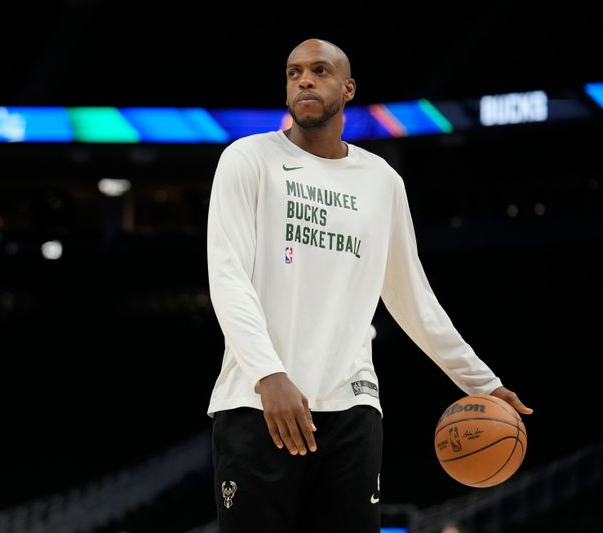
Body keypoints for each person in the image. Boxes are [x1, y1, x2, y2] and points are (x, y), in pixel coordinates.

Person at [205, 37, 533, 533]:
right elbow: (227, 277)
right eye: (294, 73)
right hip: (257, 403)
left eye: (319, 70)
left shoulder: (382, 181)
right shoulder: (246, 159)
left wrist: (482, 382)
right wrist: (268, 375)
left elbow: (412, 297)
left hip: (351, 407)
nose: (305, 80)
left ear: (348, 87)